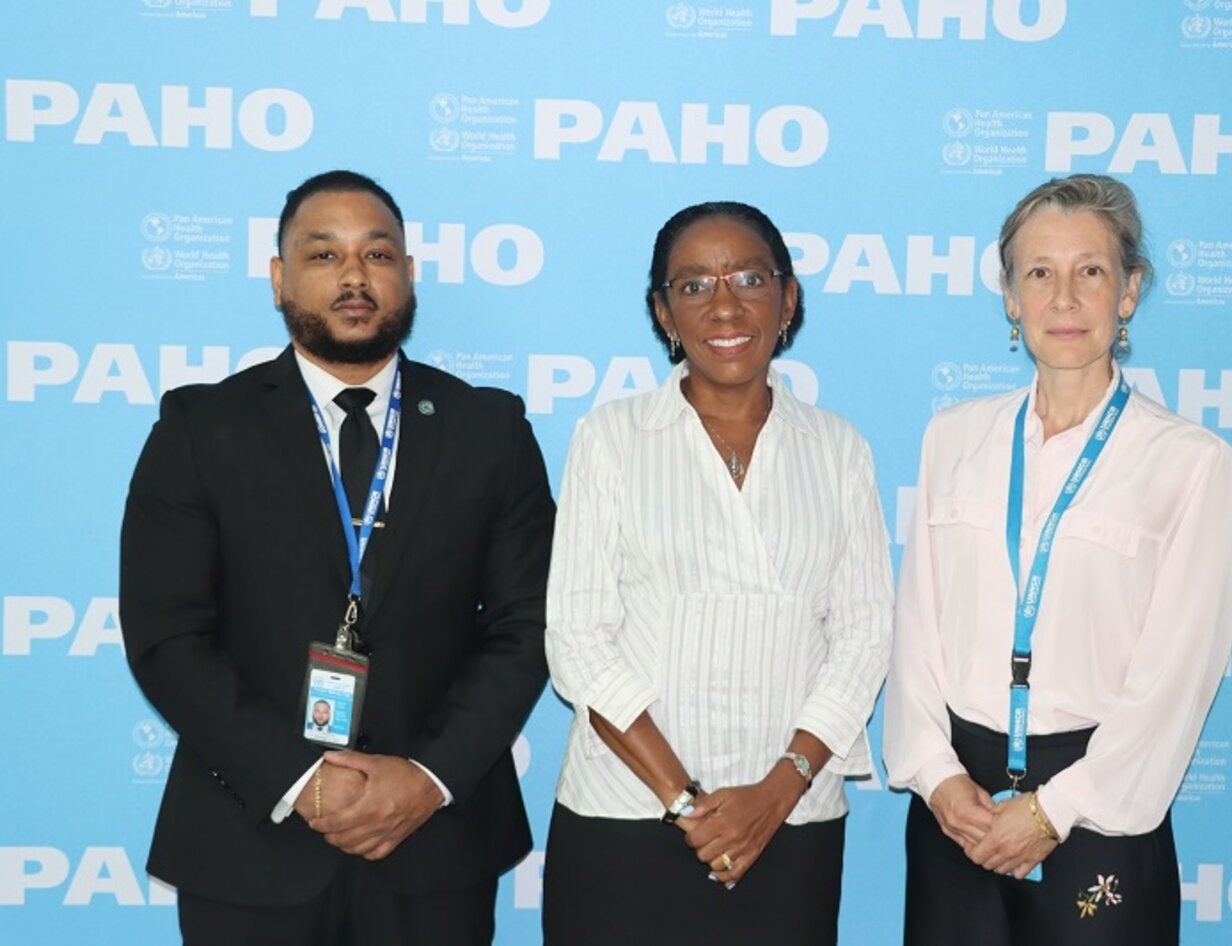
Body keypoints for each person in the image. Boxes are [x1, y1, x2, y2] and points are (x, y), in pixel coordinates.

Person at [120, 170, 555, 946]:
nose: (355, 276)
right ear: (279, 278)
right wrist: (301, 781)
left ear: (408, 274)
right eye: (324, 255)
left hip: (435, 846)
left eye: (377, 254)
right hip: (250, 842)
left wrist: (426, 778)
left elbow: (526, 626)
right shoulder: (200, 428)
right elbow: (168, 635)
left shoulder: (488, 429)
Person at [883, 174, 1232, 944]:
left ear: (1129, 291)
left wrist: (1056, 809)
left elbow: (1179, 674)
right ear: (1011, 297)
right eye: (1040, 273)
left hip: (1100, 808)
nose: (1065, 298)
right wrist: (936, 776)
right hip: (956, 810)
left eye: (1092, 271)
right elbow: (916, 631)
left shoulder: (1190, 462)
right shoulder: (954, 437)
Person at [541, 201, 895, 945]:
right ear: (663, 313)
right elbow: (577, 639)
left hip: (790, 820)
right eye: (695, 285)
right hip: (627, 817)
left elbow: (864, 635)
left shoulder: (838, 449)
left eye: (749, 279)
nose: (725, 306)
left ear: (788, 299)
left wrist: (776, 793)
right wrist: (687, 803)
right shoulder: (611, 438)